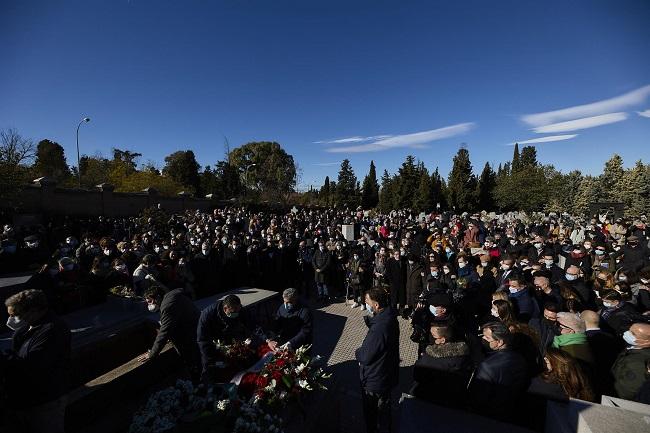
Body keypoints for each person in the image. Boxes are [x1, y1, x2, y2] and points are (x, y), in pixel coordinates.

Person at [2, 289, 71, 433]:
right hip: (25, 400)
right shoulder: (25, 329)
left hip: (45, 402)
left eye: (15, 315)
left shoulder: (53, 329)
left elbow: (33, 365)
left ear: (34, 310)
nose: (12, 320)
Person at [355, 288, 399, 433]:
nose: (365, 303)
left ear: (376, 305)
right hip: (385, 374)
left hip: (375, 379)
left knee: (375, 416)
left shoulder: (380, 327)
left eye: (367, 301)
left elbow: (366, 356)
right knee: (384, 413)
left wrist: (358, 352)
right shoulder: (389, 317)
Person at [138, 285, 202, 383]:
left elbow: (164, 332)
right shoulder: (172, 298)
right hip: (194, 333)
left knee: (196, 368)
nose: (149, 305)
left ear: (158, 297)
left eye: (150, 301)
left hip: (191, 338)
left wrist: (152, 354)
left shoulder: (168, 305)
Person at [468, 321, 529, 421]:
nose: (483, 339)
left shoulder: (487, 366)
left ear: (500, 342)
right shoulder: (520, 358)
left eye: (487, 338)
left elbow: (479, 398)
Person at [196, 294, 256, 383]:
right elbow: (203, 340)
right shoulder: (207, 315)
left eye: (238, 310)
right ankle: (207, 384)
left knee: (236, 359)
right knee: (210, 368)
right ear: (225, 309)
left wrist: (250, 337)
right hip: (213, 341)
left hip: (229, 336)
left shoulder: (238, 309)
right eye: (234, 312)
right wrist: (213, 359)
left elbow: (250, 323)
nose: (237, 314)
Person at [411, 323, 471, 407]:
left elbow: (417, 375)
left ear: (442, 340)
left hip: (430, 397)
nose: (431, 337)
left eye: (433, 336)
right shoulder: (463, 353)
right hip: (452, 399)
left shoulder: (429, 359)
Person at [611, 322, 650, 400]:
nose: (627, 333)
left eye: (633, 334)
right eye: (629, 330)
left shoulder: (639, 363)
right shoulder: (632, 348)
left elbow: (628, 391)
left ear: (646, 342)